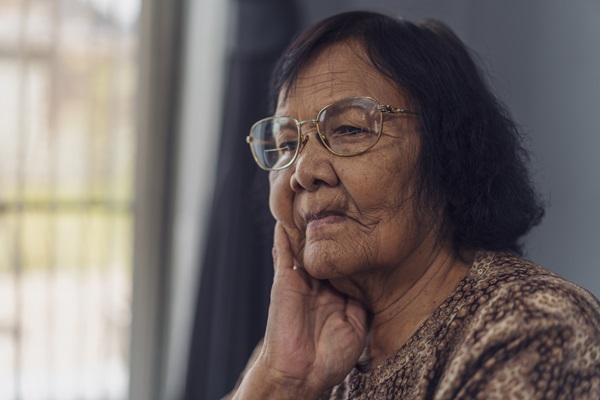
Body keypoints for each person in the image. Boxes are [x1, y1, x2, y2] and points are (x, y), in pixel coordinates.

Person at [228, 10, 600, 400]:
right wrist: (280, 381)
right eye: (287, 143)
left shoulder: (535, 327)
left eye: (350, 129)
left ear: (449, 152)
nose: (303, 171)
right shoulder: (300, 349)